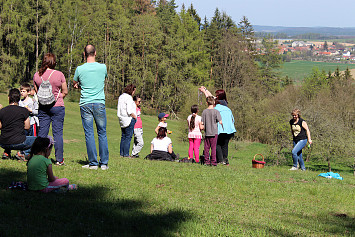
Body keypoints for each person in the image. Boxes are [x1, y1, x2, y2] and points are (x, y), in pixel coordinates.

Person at [73, 45, 109, 170]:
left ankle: (93, 163)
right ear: (95, 53)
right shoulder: (103, 67)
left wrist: (79, 86)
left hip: (85, 103)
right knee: (102, 133)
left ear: (84, 54)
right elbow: (103, 79)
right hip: (99, 102)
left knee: (89, 133)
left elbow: (75, 83)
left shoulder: (79, 69)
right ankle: (104, 163)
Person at [33, 53, 68, 166]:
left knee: (42, 133)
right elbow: (65, 91)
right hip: (57, 107)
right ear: (54, 62)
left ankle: (39, 156)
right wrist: (59, 96)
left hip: (43, 107)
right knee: (57, 133)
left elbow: (37, 91)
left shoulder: (37, 75)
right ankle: (59, 159)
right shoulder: (59, 74)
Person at [0, 89, 36, 160]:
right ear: (19, 98)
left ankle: (6, 153)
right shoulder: (24, 111)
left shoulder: (2, 111)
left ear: (8, 97)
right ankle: (23, 153)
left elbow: (0, 126)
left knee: (8, 135)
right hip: (19, 142)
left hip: (3, 142)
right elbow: (27, 126)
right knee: (37, 139)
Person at [201, 96, 222, 166]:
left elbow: (202, 123)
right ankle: (213, 162)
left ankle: (206, 161)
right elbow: (220, 121)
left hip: (207, 132)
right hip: (214, 132)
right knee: (213, 148)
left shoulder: (204, 112)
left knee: (206, 148)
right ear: (214, 103)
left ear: (206, 103)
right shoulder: (216, 111)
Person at [117, 84, 137, 158]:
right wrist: (134, 116)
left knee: (123, 136)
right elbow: (129, 110)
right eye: (134, 90)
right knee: (128, 137)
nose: (134, 92)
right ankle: (126, 154)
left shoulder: (121, 97)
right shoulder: (128, 98)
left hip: (122, 118)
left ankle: (121, 153)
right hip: (129, 118)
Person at [215, 100, 236, 165]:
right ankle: (225, 159)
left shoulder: (215, 109)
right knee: (225, 144)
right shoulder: (228, 109)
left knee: (217, 144)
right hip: (229, 130)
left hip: (220, 129)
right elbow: (233, 120)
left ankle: (220, 160)